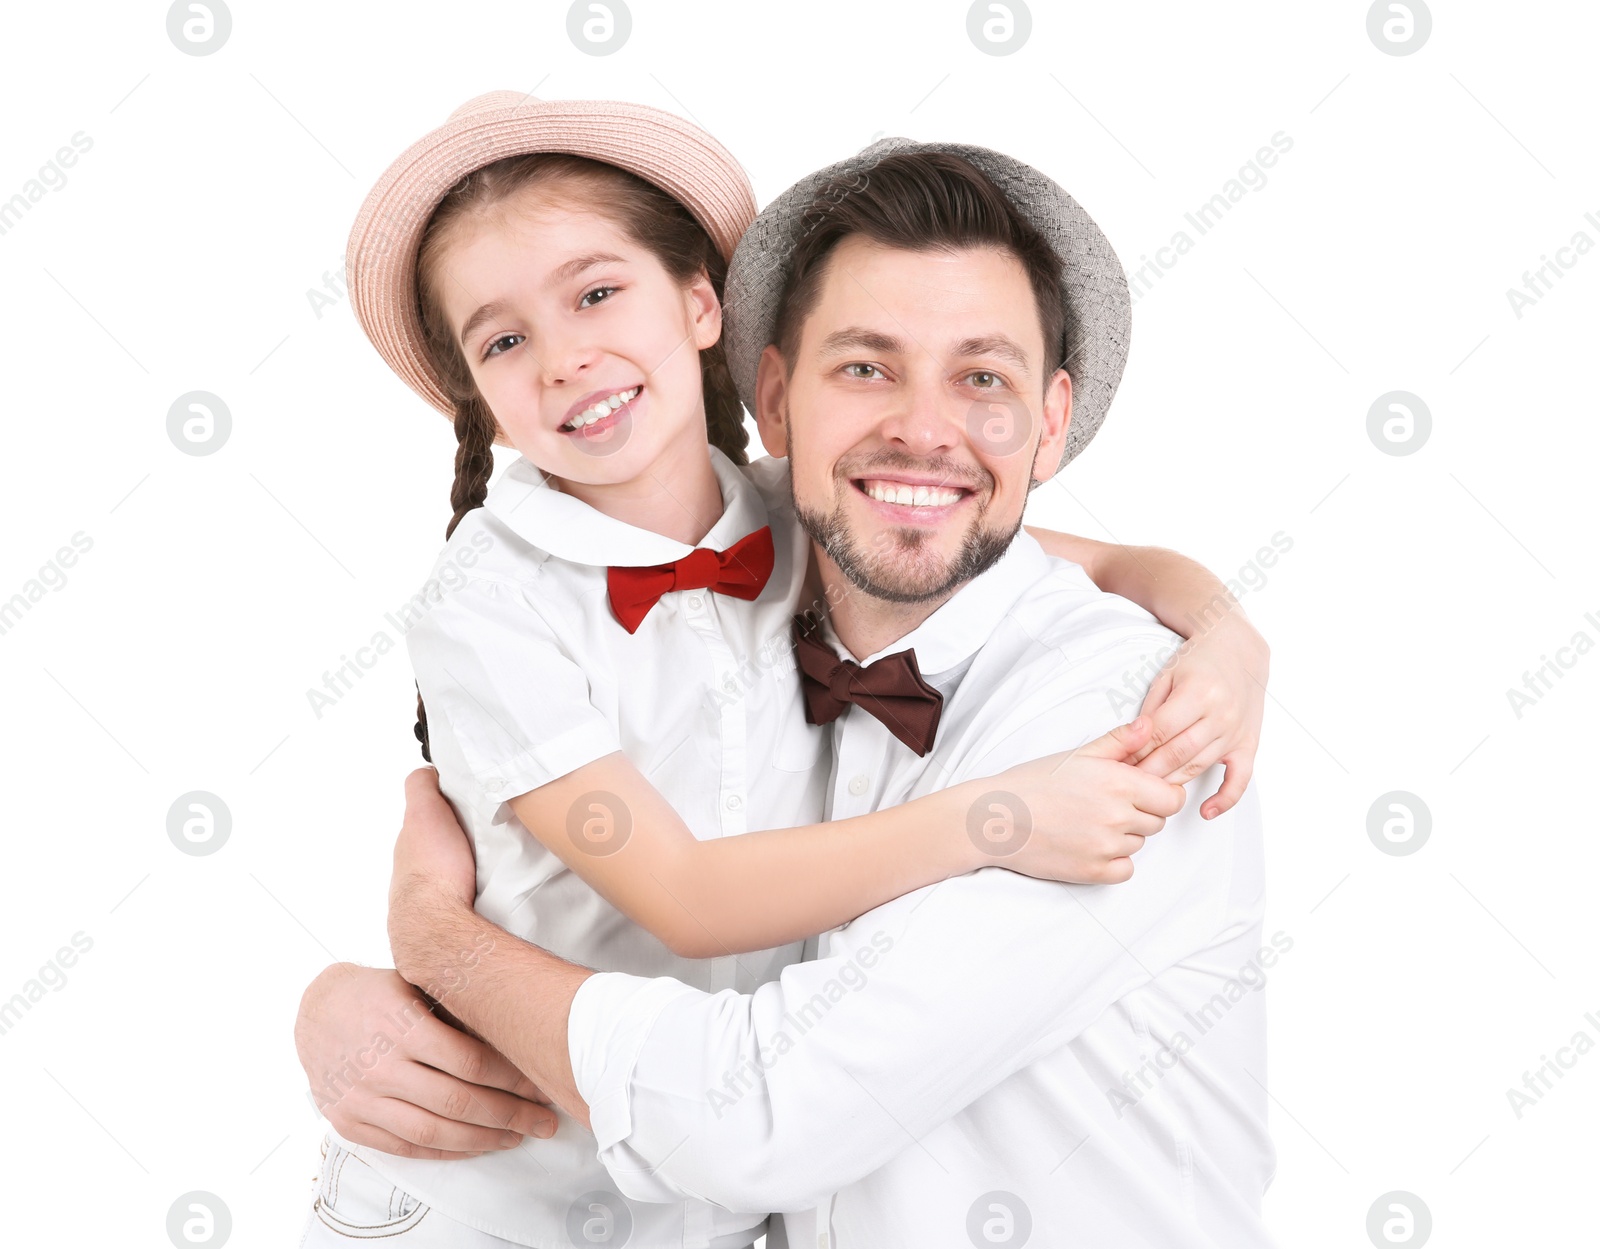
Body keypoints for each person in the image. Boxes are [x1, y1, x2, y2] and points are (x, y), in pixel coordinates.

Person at [300, 99, 1272, 1248]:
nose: (566, 357)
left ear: (698, 305)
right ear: (781, 405)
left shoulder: (1099, 706)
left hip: (678, 1209)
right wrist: (412, 960)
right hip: (489, 1198)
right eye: (866, 367)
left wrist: (1223, 627)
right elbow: (688, 899)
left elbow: (1098, 559)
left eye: (598, 292)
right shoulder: (502, 600)